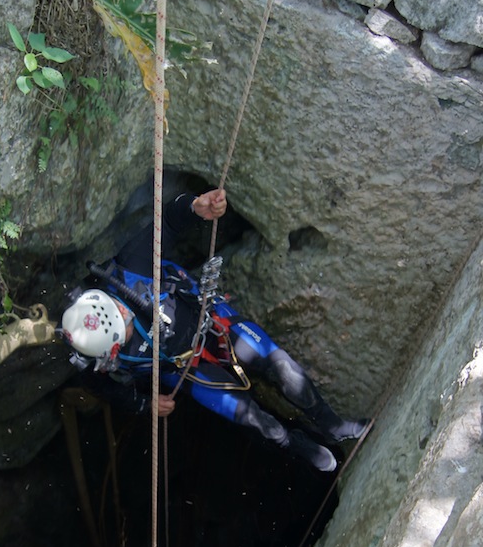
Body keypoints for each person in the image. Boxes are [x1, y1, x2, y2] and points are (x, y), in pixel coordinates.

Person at [58, 188, 370, 472]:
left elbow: (166, 223)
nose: (127, 317)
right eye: (124, 328)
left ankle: (333, 425)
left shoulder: (130, 269)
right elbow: (104, 388)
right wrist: (146, 404)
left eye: (122, 313)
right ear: (109, 351)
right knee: (256, 422)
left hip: (211, 320)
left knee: (282, 367)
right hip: (184, 369)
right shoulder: (89, 356)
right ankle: (299, 446)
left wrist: (196, 207)